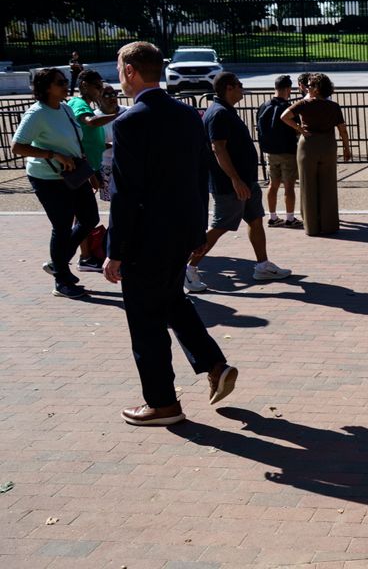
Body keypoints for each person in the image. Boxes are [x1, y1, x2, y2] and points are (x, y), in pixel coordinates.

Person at [102, 41, 237, 426]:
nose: (118, 77)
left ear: (130, 70)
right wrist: (197, 232)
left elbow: (126, 193)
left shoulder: (129, 121)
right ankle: (214, 365)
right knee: (170, 301)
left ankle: (163, 404)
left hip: (145, 238)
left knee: (146, 322)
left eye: (119, 69)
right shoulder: (186, 115)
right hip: (180, 232)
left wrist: (115, 249)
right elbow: (199, 178)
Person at [184, 72, 292, 292]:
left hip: (245, 181)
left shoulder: (225, 111)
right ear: (229, 88)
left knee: (255, 220)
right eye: (240, 85)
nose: (243, 89)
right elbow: (218, 148)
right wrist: (235, 180)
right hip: (231, 184)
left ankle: (262, 265)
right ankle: (188, 268)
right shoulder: (219, 113)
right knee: (220, 226)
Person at [12, 67, 100, 298]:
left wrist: (89, 171)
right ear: (46, 88)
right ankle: (61, 281)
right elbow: (17, 146)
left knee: (90, 218)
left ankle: (57, 263)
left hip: (75, 174)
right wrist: (54, 155)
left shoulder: (66, 108)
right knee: (61, 227)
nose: (65, 85)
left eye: (64, 81)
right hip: (48, 178)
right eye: (60, 82)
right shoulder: (36, 113)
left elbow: (75, 142)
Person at [280, 73, 351, 236]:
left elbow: (284, 117)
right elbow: (343, 130)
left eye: (310, 85)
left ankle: (312, 226)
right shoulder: (334, 107)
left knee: (308, 185)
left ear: (317, 89)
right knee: (328, 185)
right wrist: (347, 148)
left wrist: (299, 128)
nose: (307, 88)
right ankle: (329, 225)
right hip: (328, 145)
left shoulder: (304, 104)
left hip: (308, 145)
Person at [68, 69, 121, 269]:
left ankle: (81, 256)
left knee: (84, 217)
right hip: (83, 167)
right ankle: (79, 257)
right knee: (83, 217)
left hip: (89, 168)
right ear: (84, 86)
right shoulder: (80, 104)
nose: (100, 91)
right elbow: (90, 123)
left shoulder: (86, 105)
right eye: (97, 87)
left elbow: (93, 141)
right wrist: (118, 115)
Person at [256, 75, 302, 229]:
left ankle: (273, 216)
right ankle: (290, 217)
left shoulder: (264, 105)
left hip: (270, 151)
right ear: (288, 89)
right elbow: (296, 129)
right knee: (289, 186)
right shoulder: (288, 108)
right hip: (287, 150)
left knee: (273, 184)